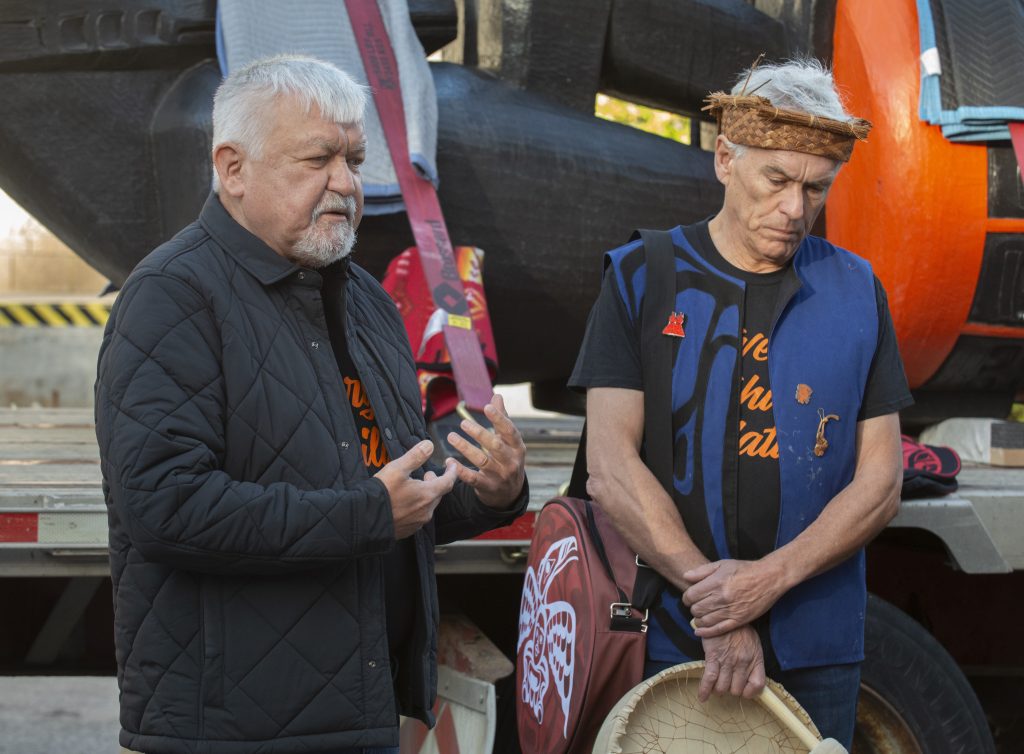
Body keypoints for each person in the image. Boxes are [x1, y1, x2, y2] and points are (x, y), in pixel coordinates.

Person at [95, 54, 528, 754]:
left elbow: (398, 497)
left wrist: (488, 488)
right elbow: (164, 507)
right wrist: (367, 515)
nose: (346, 184)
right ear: (232, 168)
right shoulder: (171, 296)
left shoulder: (362, 299)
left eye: (354, 159)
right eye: (317, 159)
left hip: (360, 713)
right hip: (233, 730)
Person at [569, 59, 912, 748]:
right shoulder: (643, 277)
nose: (794, 209)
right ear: (726, 158)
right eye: (776, 180)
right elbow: (610, 467)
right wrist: (721, 610)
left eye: (816, 189)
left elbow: (880, 483)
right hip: (671, 634)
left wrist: (768, 581)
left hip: (818, 642)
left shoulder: (855, 289)